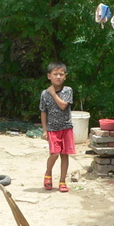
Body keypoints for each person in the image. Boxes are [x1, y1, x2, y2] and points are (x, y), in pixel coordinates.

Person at [40, 62, 74, 193]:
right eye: (55, 74)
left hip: (66, 128)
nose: (58, 77)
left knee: (65, 155)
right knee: (54, 154)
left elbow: (63, 106)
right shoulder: (44, 94)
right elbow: (43, 112)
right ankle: (48, 173)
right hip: (52, 129)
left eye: (61, 74)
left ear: (65, 76)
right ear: (49, 76)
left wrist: (53, 93)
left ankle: (62, 181)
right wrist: (44, 130)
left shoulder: (68, 91)